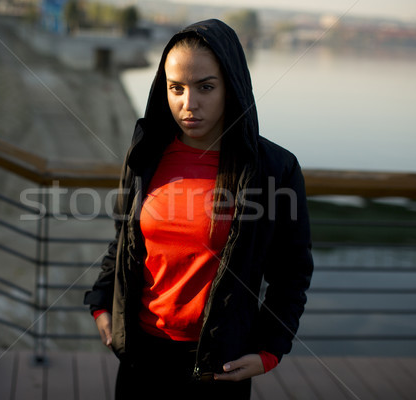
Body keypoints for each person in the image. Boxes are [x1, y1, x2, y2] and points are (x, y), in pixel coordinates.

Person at [84, 19, 313, 400]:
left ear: (231, 86)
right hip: (141, 356)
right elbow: (123, 241)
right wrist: (101, 305)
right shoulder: (146, 153)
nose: (188, 105)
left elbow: (292, 272)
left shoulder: (273, 168)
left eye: (206, 87)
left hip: (219, 366)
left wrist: (271, 349)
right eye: (177, 88)